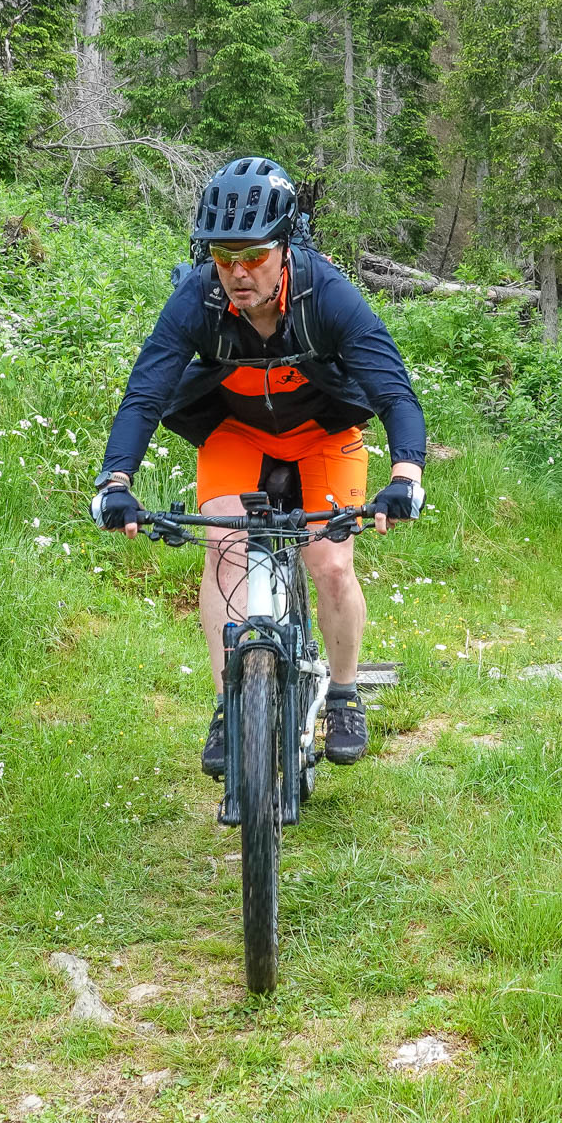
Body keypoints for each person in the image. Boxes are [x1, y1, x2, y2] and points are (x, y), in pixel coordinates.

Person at [93, 157, 426, 777]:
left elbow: (393, 392)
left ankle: (345, 694)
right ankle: (229, 705)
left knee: (330, 562)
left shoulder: (326, 294)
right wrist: (116, 480)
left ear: (285, 246)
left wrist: (406, 474)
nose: (238, 273)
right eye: (223, 256)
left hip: (324, 435)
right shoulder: (197, 299)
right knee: (224, 549)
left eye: (253, 255)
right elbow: (145, 392)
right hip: (237, 434)